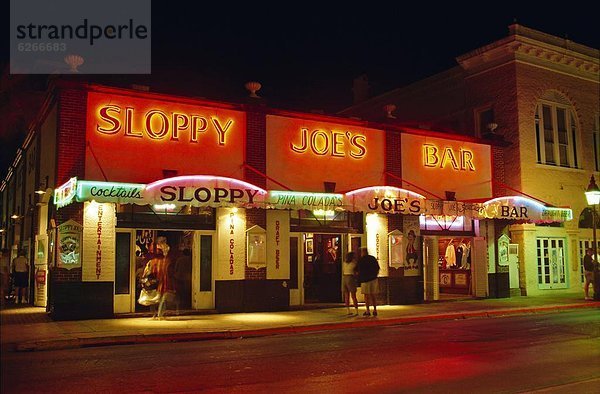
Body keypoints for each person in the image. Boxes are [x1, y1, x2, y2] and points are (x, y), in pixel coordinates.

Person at [357, 247, 380, 317]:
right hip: (373, 279)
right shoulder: (372, 258)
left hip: (365, 280)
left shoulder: (361, 260)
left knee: (366, 296)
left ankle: (367, 310)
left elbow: (357, 269)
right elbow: (378, 268)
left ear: (362, 252)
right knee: (373, 295)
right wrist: (375, 274)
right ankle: (375, 310)